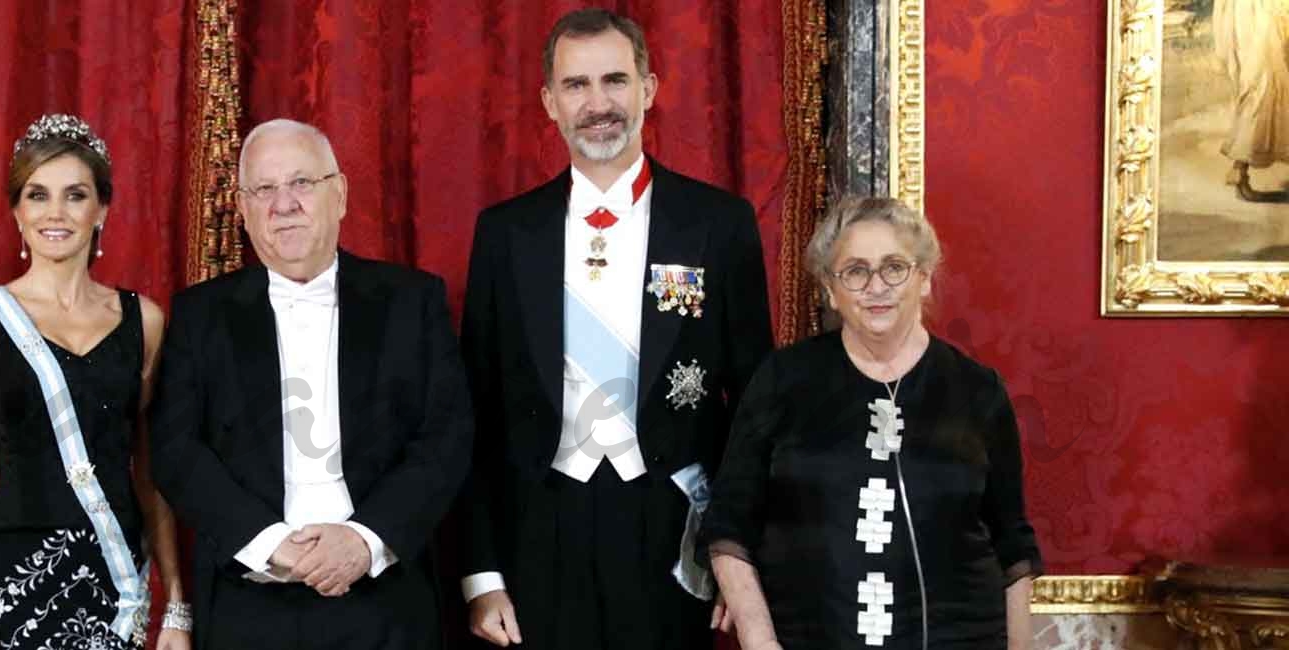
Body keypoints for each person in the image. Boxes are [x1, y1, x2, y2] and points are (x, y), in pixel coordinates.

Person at [457, 8, 773, 649]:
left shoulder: (718, 224)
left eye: (615, 80)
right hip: (539, 531)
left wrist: (737, 561)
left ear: (648, 89)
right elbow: (475, 415)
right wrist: (481, 575)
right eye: (576, 85)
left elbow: (756, 411)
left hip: (673, 532)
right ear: (549, 101)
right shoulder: (505, 233)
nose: (597, 103)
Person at [149, 119, 473, 650]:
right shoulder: (199, 315)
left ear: (339, 194)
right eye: (265, 189)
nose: (284, 204)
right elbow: (176, 450)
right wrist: (272, 544)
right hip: (248, 603)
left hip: (384, 602)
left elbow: (447, 436)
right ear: (245, 208)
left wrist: (364, 540)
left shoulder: (412, 302)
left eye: (302, 183)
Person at [700, 197, 1043, 649]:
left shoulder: (977, 390)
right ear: (829, 288)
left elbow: (1012, 546)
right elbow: (729, 525)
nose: (875, 286)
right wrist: (760, 639)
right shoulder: (783, 380)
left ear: (923, 278)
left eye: (894, 267)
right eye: (855, 271)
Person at [0, 114, 190, 650]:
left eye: (75, 195)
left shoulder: (143, 321)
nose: (55, 213)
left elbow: (152, 473)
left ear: (102, 209)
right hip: (17, 575)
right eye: (37, 195)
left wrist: (177, 605)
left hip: (117, 579)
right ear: (16, 211)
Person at [1214, 0, 1289, 201]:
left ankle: (1240, 170)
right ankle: (1239, 168)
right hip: (1254, 13)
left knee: (1265, 81)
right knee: (1261, 83)